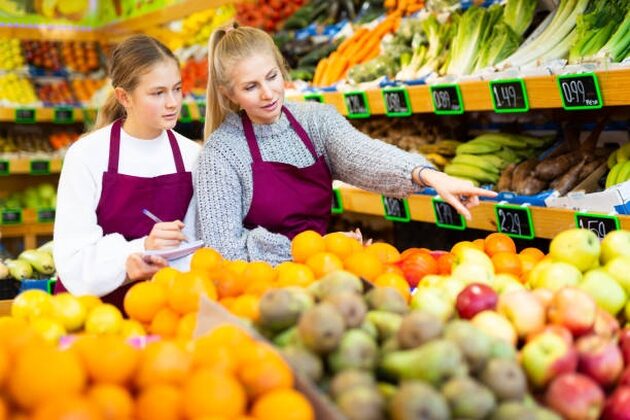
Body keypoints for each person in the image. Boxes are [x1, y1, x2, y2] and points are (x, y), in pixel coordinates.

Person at [196, 24, 496, 265]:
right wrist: (317, 250)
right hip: (259, 292)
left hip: (324, 275)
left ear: (281, 67)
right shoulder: (221, 153)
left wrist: (429, 175)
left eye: (272, 77)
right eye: (251, 87)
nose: (268, 93)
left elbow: (361, 153)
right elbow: (223, 250)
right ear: (228, 94)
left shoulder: (315, 121)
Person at [53, 35, 200, 307]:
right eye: (158, 93)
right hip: (92, 314)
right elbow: (72, 258)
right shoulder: (86, 156)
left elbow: (195, 246)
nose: (172, 102)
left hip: (163, 309)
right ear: (124, 97)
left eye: (177, 89)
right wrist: (140, 249)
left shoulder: (193, 156)